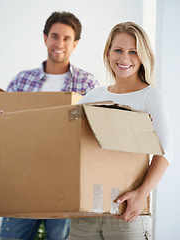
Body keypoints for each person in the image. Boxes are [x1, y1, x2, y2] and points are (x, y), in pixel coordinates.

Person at [0, 11, 99, 240]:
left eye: (66, 38)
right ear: (45, 38)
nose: (59, 43)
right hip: (22, 179)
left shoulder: (88, 83)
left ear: (75, 44)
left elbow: (96, 132)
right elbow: (4, 126)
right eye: (55, 36)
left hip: (66, 182)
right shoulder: (22, 80)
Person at [68, 22, 173, 240]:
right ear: (107, 53)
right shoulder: (93, 95)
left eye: (133, 52)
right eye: (118, 50)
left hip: (127, 213)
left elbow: (166, 151)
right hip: (85, 214)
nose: (124, 59)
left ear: (143, 56)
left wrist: (141, 195)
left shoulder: (150, 96)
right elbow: (62, 129)